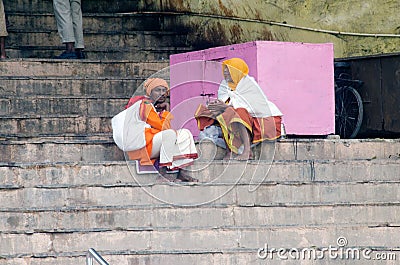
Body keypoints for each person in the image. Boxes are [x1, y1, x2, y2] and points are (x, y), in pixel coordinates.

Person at [112, 78, 199, 183]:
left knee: (185, 133)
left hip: (150, 144)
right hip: (141, 148)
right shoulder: (145, 105)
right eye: (158, 90)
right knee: (169, 134)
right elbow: (164, 128)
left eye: (164, 90)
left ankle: (181, 172)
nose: (162, 93)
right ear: (150, 92)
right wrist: (167, 109)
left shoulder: (152, 106)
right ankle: (162, 174)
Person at [195, 58, 283, 160]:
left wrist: (226, 107)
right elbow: (225, 100)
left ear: (237, 71)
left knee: (238, 113)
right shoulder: (224, 84)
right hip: (232, 113)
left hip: (259, 116)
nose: (225, 72)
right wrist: (216, 105)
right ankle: (230, 151)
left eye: (228, 70)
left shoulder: (249, 84)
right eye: (225, 69)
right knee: (214, 113)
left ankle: (247, 151)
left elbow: (251, 106)